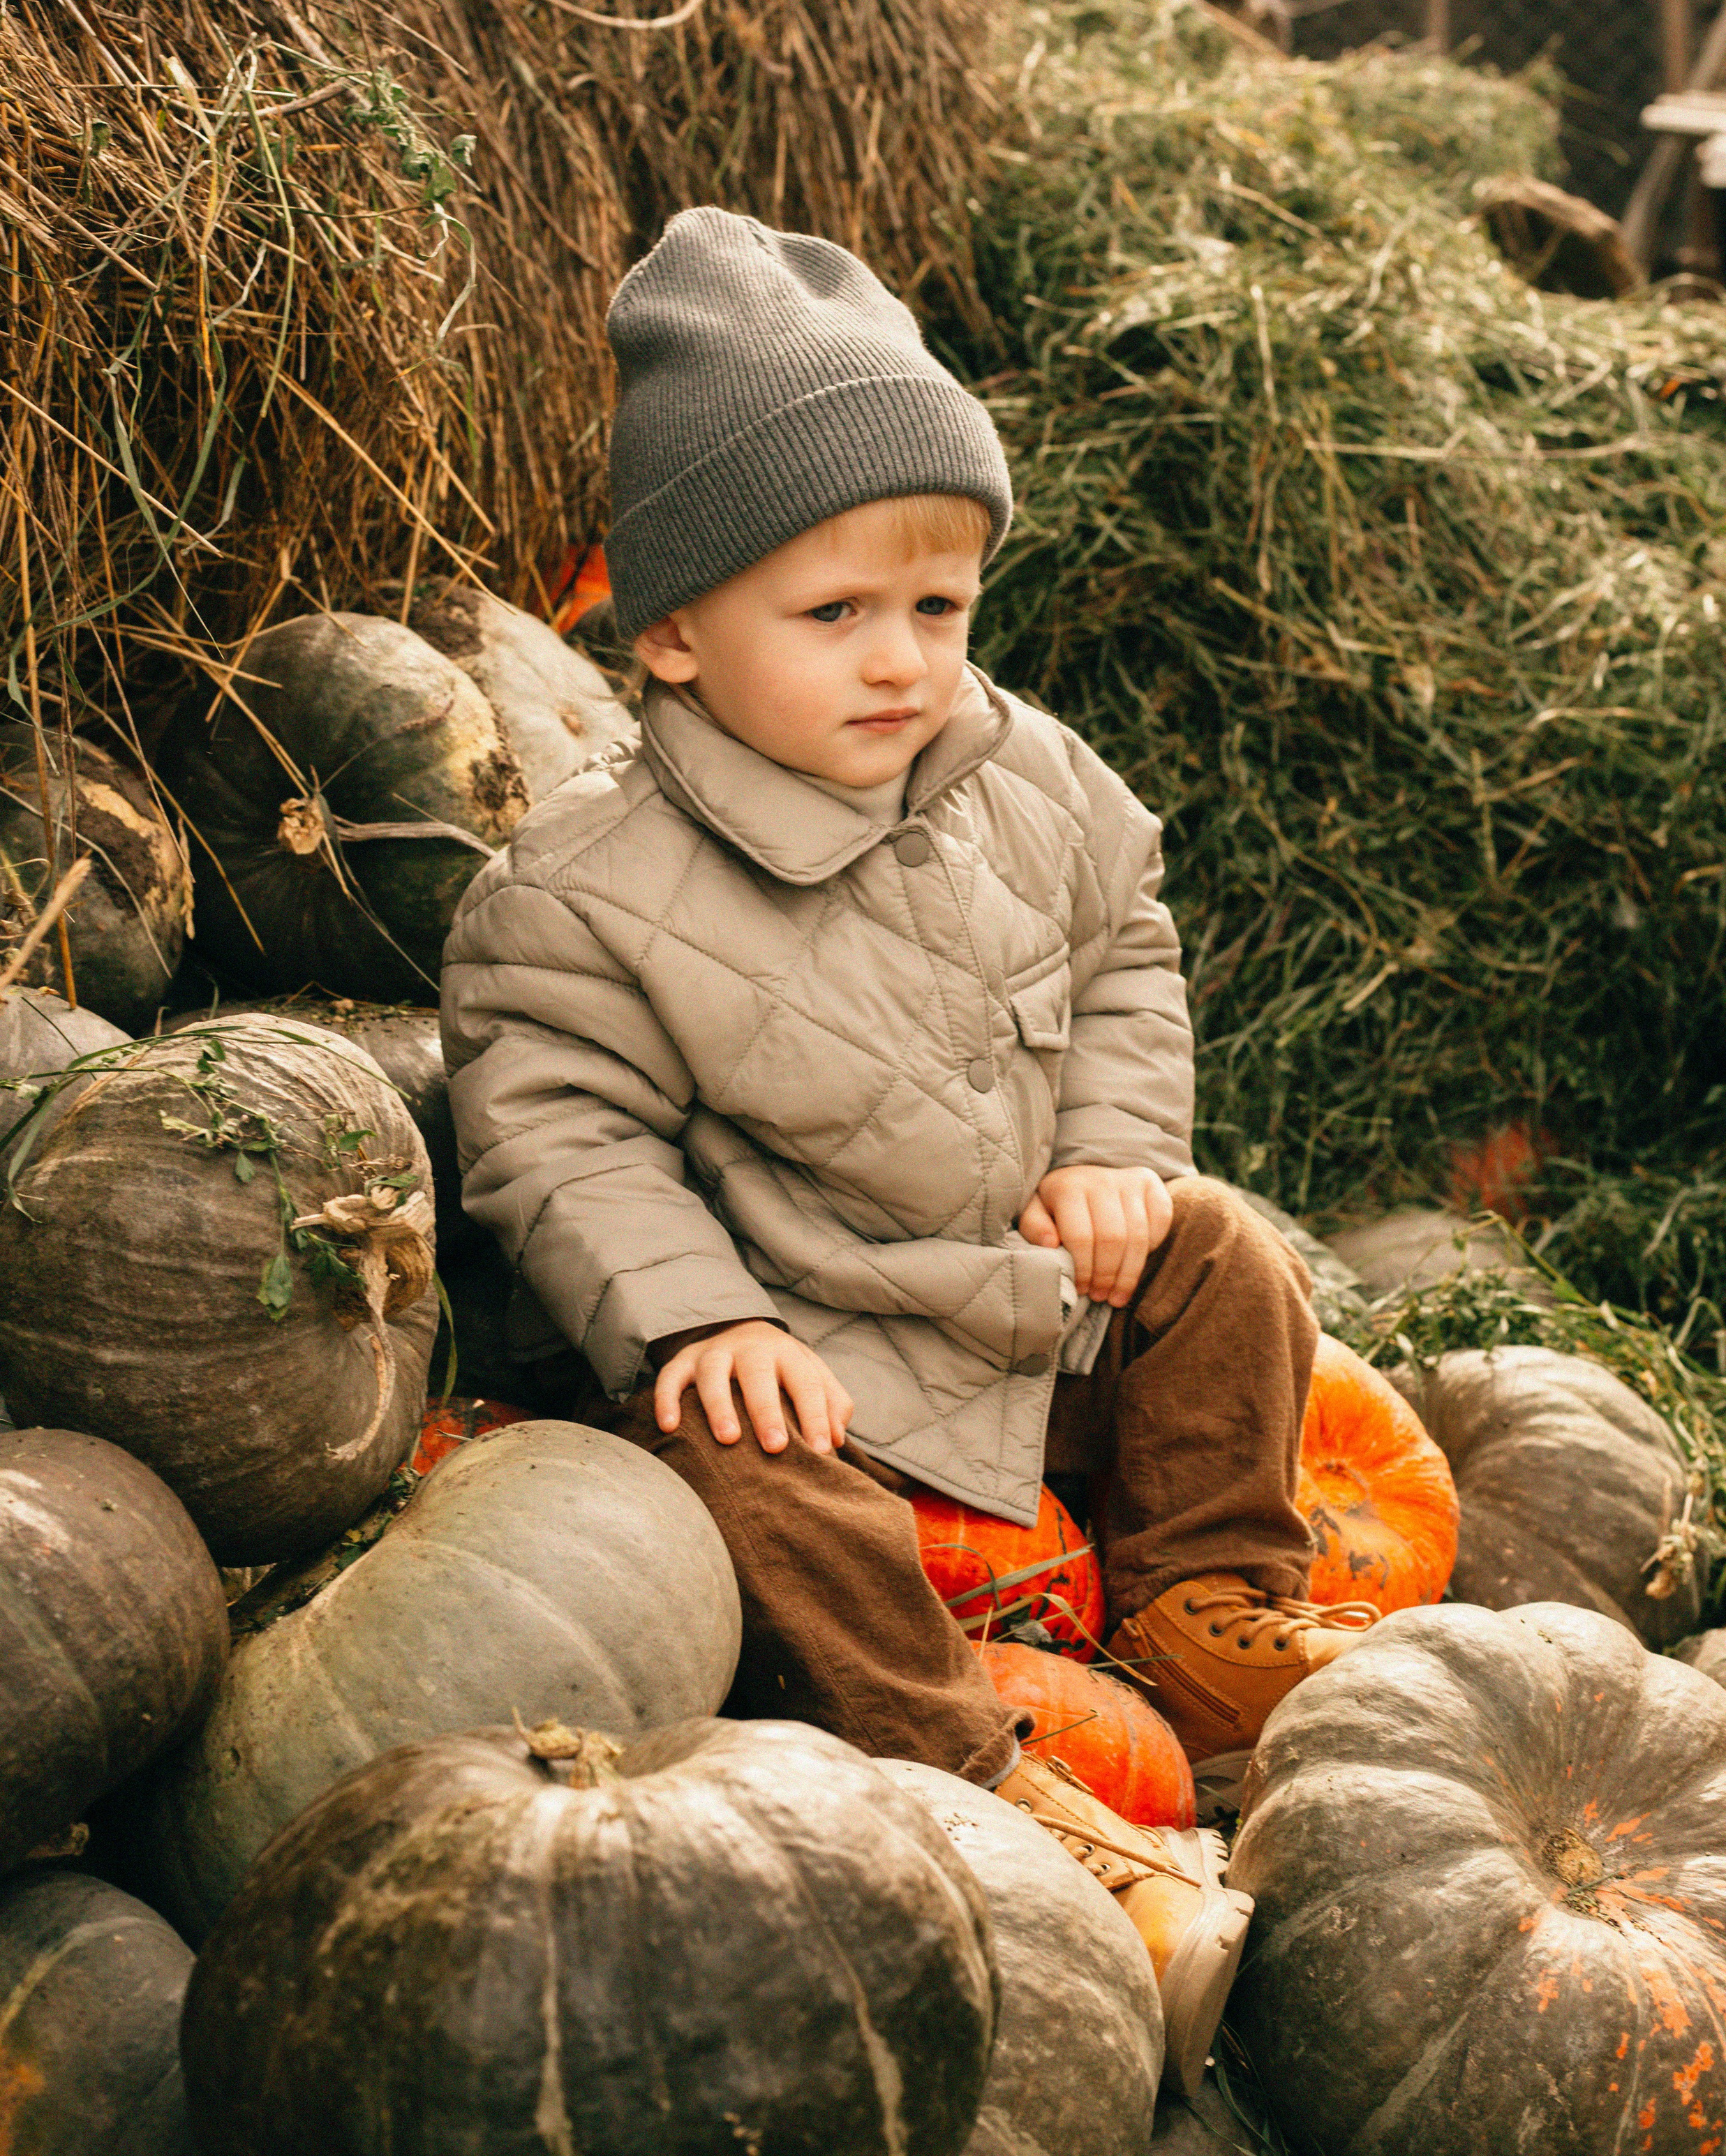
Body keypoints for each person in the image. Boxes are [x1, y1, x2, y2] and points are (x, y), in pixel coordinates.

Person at [440, 206, 1376, 2093]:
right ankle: (1007, 1792)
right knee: (718, 1464)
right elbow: (557, 1126)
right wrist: (696, 1314)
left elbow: (1127, 944)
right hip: (817, 1356)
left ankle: (1207, 1636)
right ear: (679, 633)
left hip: (1022, 1303)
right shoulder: (581, 896)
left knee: (1231, 1255)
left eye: (938, 608)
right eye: (836, 612)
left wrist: (1115, 1144)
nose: (903, 662)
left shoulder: (1025, 772)